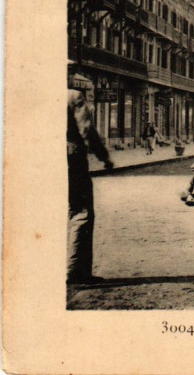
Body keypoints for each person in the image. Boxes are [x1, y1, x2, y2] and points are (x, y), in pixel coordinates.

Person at [68, 84, 114, 285]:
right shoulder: (73, 96)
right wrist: (104, 157)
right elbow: (87, 130)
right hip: (71, 160)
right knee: (81, 213)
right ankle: (76, 271)